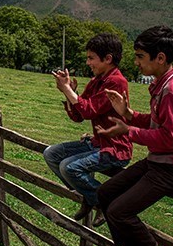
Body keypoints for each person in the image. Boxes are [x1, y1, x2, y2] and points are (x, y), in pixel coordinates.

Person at [96, 25, 173, 246]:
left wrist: (128, 131)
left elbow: (169, 139)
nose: (136, 62)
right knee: (105, 193)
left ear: (160, 58)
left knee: (119, 211)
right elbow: (155, 123)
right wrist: (128, 113)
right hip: (159, 161)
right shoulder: (162, 86)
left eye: (140, 56)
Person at [43, 33, 132, 227]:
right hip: (97, 143)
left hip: (115, 148)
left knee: (69, 167)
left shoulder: (116, 82)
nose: (88, 62)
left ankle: (102, 201)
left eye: (91, 58)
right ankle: (89, 195)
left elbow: (90, 110)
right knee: (51, 154)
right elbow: (78, 116)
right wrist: (69, 94)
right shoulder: (96, 81)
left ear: (108, 59)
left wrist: (68, 90)